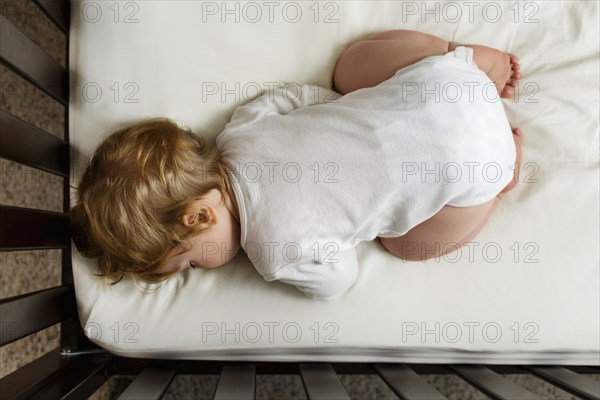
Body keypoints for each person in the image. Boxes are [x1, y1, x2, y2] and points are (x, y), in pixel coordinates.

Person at [71, 29, 522, 300]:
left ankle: (503, 178)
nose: (200, 271)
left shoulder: (274, 257)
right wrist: (342, 107)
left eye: (189, 263)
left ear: (199, 218)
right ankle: (467, 56)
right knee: (349, 67)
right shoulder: (239, 131)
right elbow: (290, 96)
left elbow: (339, 280)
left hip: (478, 165)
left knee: (402, 246)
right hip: (447, 83)